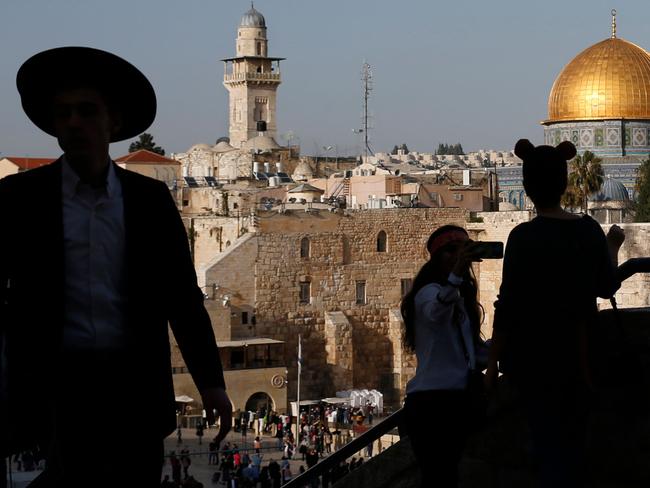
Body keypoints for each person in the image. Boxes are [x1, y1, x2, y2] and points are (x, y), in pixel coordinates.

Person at [0, 46, 233, 487]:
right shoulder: (20, 199)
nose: (74, 123)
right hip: (56, 392)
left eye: (87, 111)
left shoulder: (149, 202)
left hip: (133, 392)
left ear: (114, 122)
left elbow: (182, 299)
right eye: (64, 112)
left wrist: (211, 383)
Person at [486, 139, 623, 488]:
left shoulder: (521, 237)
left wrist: (491, 364)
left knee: (544, 445)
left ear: (527, 188)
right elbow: (606, 288)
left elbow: (508, 304)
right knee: (576, 445)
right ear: (564, 183)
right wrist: (612, 247)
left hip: (532, 360)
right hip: (580, 357)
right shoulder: (588, 230)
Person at [400, 225, 489, 488]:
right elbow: (435, 312)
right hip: (431, 405)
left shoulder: (459, 297)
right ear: (436, 256)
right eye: (450, 250)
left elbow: (470, 355)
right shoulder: (428, 293)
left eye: (463, 250)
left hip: (456, 401)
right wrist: (457, 276)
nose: (456, 256)